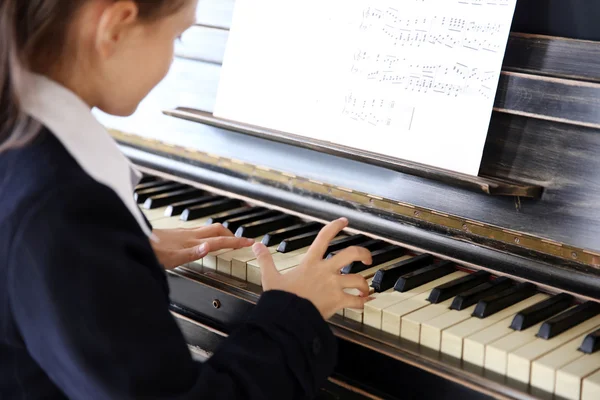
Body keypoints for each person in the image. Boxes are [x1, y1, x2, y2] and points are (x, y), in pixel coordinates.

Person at [0, 0, 373, 399]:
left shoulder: (22, 150)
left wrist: (124, 254)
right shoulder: (66, 213)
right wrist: (295, 311)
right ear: (114, 26)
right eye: (177, 35)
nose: (174, 59)